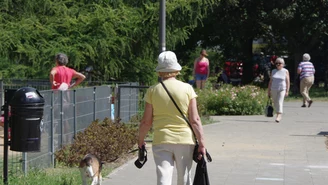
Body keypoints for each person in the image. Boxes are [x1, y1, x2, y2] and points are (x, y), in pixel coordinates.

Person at [138, 51, 207, 185]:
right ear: (176, 69)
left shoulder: (153, 91)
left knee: (163, 178)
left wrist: (140, 141)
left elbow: (146, 122)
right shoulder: (187, 89)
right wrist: (202, 143)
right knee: (185, 178)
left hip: (161, 139)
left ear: (160, 71)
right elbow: (195, 120)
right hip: (185, 140)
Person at [267, 57, 290, 123]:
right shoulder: (273, 71)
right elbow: (270, 81)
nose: (278, 64)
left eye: (279, 63)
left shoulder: (285, 71)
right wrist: (268, 91)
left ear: (283, 64)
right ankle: (278, 112)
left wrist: (287, 91)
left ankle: (279, 115)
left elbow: (288, 81)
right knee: (275, 102)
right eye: (276, 63)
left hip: (282, 89)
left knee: (280, 101)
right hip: (273, 89)